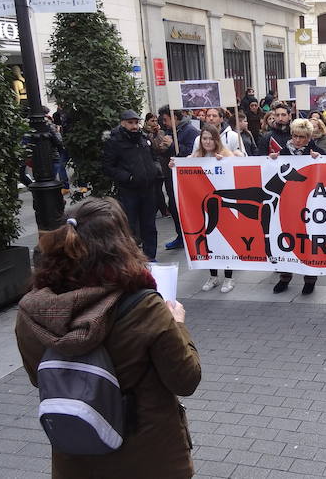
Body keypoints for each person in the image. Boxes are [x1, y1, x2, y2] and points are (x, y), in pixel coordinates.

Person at [15, 197, 201, 478]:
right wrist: (177, 324)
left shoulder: (33, 310)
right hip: (150, 457)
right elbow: (185, 379)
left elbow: (38, 377)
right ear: (121, 244)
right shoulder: (144, 306)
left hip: (77, 455)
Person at [269, 119, 326, 295]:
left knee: (307, 241)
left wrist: (319, 159)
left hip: (309, 205)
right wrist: (272, 160)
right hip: (287, 204)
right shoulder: (283, 152)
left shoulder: (316, 151)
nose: (298, 140)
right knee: (286, 239)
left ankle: (310, 278)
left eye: (302, 137)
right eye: (295, 136)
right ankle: (285, 277)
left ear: (308, 137)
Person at [170, 127, 241, 293]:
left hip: (223, 206)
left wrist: (225, 163)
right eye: (204, 139)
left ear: (216, 140)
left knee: (225, 242)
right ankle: (213, 276)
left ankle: (229, 278)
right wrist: (174, 165)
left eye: (210, 138)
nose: (207, 142)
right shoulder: (196, 157)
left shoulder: (226, 154)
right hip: (204, 206)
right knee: (208, 239)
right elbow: (181, 167)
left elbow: (237, 171)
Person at [102, 110, 160, 262]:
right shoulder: (114, 141)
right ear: (122, 123)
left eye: (136, 122)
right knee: (130, 226)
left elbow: (153, 157)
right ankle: (132, 259)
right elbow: (108, 167)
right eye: (130, 122)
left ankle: (150, 258)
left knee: (149, 226)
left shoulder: (143, 138)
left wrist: (155, 169)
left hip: (148, 189)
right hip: (129, 191)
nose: (134, 126)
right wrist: (128, 177)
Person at [158, 105, 200, 250]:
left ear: (174, 117)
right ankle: (181, 236)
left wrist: (173, 145)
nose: (164, 123)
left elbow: (191, 153)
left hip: (185, 180)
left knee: (185, 209)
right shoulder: (171, 131)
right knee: (174, 208)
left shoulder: (190, 131)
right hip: (172, 176)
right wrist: (164, 148)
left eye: (166, 119)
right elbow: (171, 153)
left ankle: (191, 237)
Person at [143, 113, 170, 218]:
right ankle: (159, 209)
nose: (154, 123)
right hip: (150, 163)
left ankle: (163, 209)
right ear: (147, 122)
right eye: (152, 121)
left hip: (162, 163)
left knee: (159, 187)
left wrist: (157, 134)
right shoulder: (144, 133)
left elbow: (161, 147)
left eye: (155, 121)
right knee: (155, 189)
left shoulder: (161, 132)